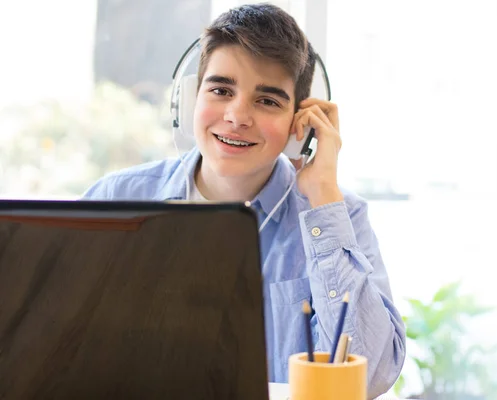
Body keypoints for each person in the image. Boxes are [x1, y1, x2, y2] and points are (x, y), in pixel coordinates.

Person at [83, 3, 406, 397]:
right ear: (190, 100)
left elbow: (368, 377)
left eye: (267, 100)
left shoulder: (339, 216)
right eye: (221, 90)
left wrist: (322, 195)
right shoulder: (114, 200)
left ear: (298, 123)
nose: (237, 116)